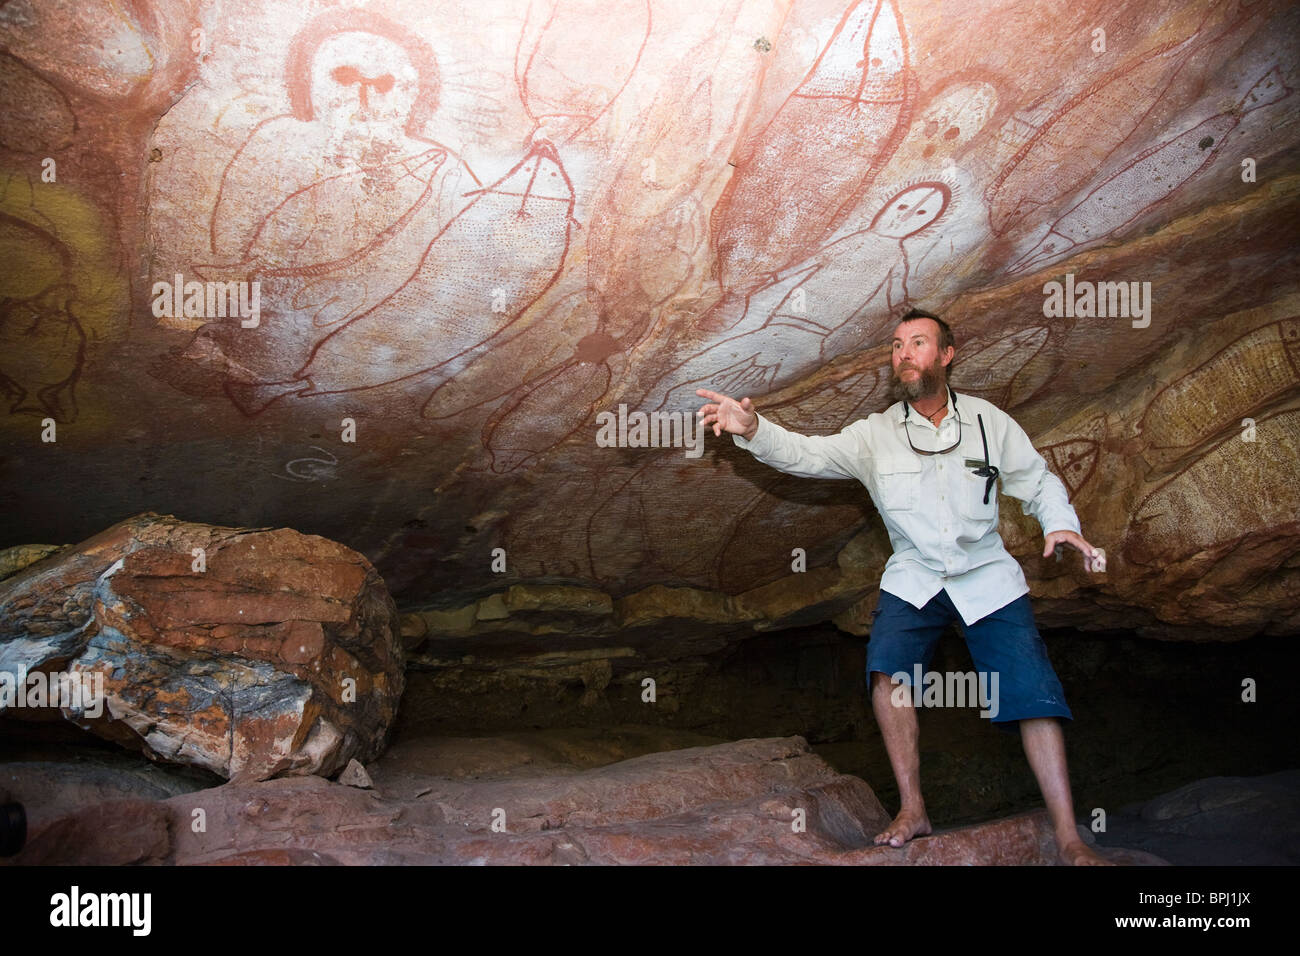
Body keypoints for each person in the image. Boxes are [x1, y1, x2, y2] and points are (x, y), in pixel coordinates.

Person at [695, 307, 1112, 865]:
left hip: (987, 575)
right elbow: (809, 454)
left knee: (1034, 694)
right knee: (888, 673)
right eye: (896, 345)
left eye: (918, 343)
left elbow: (1037, 481)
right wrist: (753, 429)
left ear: (946, 356)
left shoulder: (990, 422)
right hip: (915, 573)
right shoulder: (876, 434)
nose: (904, 353)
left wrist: (1061, 522)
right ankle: (913, 808)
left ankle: (1069, 837)